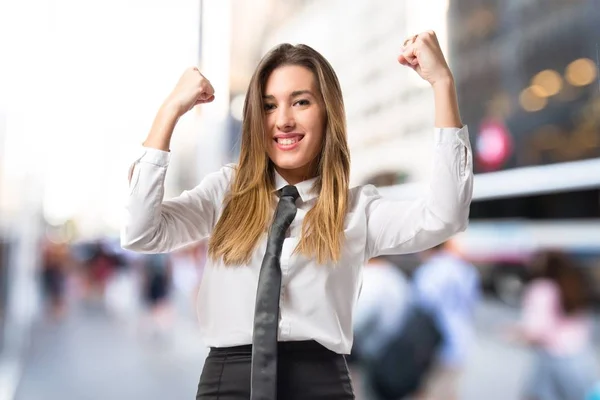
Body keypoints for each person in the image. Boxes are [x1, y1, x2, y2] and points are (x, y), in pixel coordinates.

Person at [121, 31, 473, 400]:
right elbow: (140, 232)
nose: (283, 120)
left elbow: (445, 216)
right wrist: (170, 111)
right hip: (227, 386)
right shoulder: (224, 193)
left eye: (301, 102)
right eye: (269, 106)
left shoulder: (356, 211)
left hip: (322, 386)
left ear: (327, 112)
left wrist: (442, 83)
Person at [505, 250, 599, 400]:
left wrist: (513, 333)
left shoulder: (542, 288)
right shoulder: (574, 284)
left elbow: (535, 331)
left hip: (553, 360)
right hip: (581, 359)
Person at [412, 240, 480, 400]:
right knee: (449, 391)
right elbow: (472, 303)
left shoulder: (429, 271)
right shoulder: (466, 269)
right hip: (460, 340)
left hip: (435, 345)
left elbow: (422, 307)